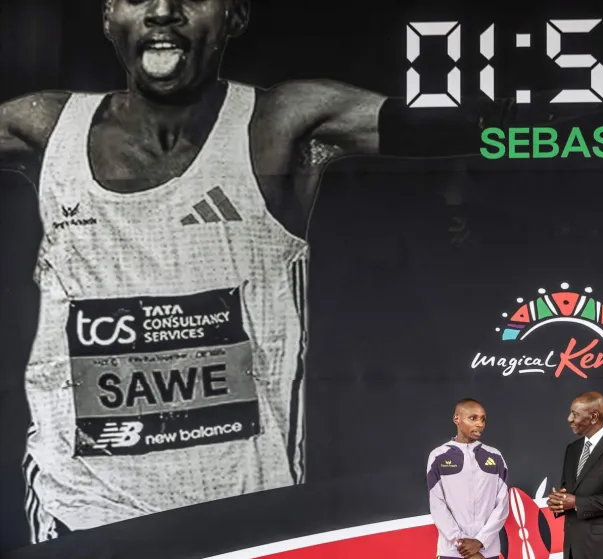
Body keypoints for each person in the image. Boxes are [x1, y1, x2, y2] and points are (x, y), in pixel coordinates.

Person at [0, 0, 498, 543]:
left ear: (235, 17)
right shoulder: (47, 126)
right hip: (82, 506)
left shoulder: (279, 124)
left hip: (243, 510)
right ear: (108, 17)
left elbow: (471, 127)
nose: (163, 10)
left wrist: (582, 117)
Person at [547, 392, 603, 559]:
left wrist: (576, 503)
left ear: (594, 417)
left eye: (575, 414)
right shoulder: (572, 449)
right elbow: (570, 492)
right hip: (574, 546)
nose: (569, 419)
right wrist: (559, 502)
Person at [426, 399, 509, 559]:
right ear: (457, 419)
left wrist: (480, 541)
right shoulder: (438, 456)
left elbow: (502, 505)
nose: (480, 424)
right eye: (473, 418)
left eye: (483, 419)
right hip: (452, 552)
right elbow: (437, 505)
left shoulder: (495, 456)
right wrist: (462, 544)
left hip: (488, 551)